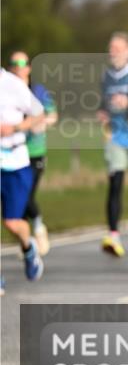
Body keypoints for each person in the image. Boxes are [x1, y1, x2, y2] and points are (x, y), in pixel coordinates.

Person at [97, 32, 128, 257]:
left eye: (117, 48)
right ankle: (114, 234)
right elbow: (103, 104)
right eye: (110, 48)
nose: (112, 52)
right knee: (115, 183)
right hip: (116, 137)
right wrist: (103, 114)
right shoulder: (105, 77)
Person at [1, 67, 46, 293]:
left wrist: (15, 128)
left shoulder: (12, 83)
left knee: (11, 222)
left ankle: (29, 249)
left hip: (15, 162)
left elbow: (39, 113)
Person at [9, 51, 58, 255]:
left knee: (27, 195)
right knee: (14, 200)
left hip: (35, 152)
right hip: (12, 153)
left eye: (22, 62)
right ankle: (26, 242)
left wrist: (42, 122)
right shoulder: (7, 92)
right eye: (14, 63)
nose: (19, 66)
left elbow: (53, 115)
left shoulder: (38, 91)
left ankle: (38, 227)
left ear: (29, 67)